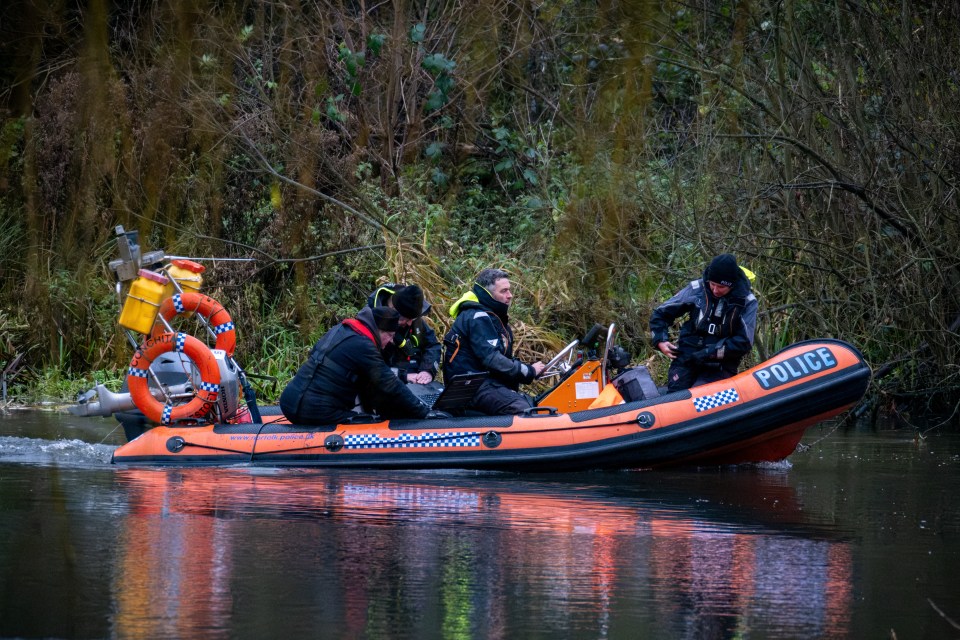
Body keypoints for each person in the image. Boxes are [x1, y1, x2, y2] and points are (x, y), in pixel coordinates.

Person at [279, 306, 430, 425]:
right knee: (372, 422)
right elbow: (389, 384)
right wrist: (422, 411)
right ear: (378, 330)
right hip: (315, 410)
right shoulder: (364, 345)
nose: (390, 341)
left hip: (289, 401)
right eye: (389, 336)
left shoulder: (341, 330)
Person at [442, 268, 545, 415]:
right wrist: (528, 371)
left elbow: (500, 359)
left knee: (531, 402)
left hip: (481, 382)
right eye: (503, 291)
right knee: (523, 409)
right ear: (487, 294)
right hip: (469, 387)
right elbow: (492, 358)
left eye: (509, 290)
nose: (510, 296)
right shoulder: (477, 317)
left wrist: (528, 369)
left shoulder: (492, 317)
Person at [649, 253, 758, 392]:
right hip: (687, 357)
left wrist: (709, 353)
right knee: (676, 396)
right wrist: (660, 340)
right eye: (712, 284)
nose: (715, 290)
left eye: (721, 287)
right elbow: (660, 314)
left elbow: (744, 342)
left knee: (700, 396)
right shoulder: (697, 289)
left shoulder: (747, 301)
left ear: (732, 285)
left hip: (720, 363)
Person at [366, 283, 442, 384]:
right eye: (407, 319)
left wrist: (427, 371)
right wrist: (403, 376)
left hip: (416, 380)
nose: (410, 323)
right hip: (386, 383)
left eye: (413, 319)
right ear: (393, 309)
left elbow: (433, 346)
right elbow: (370, 369)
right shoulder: (370, 320)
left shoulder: (411, 312)